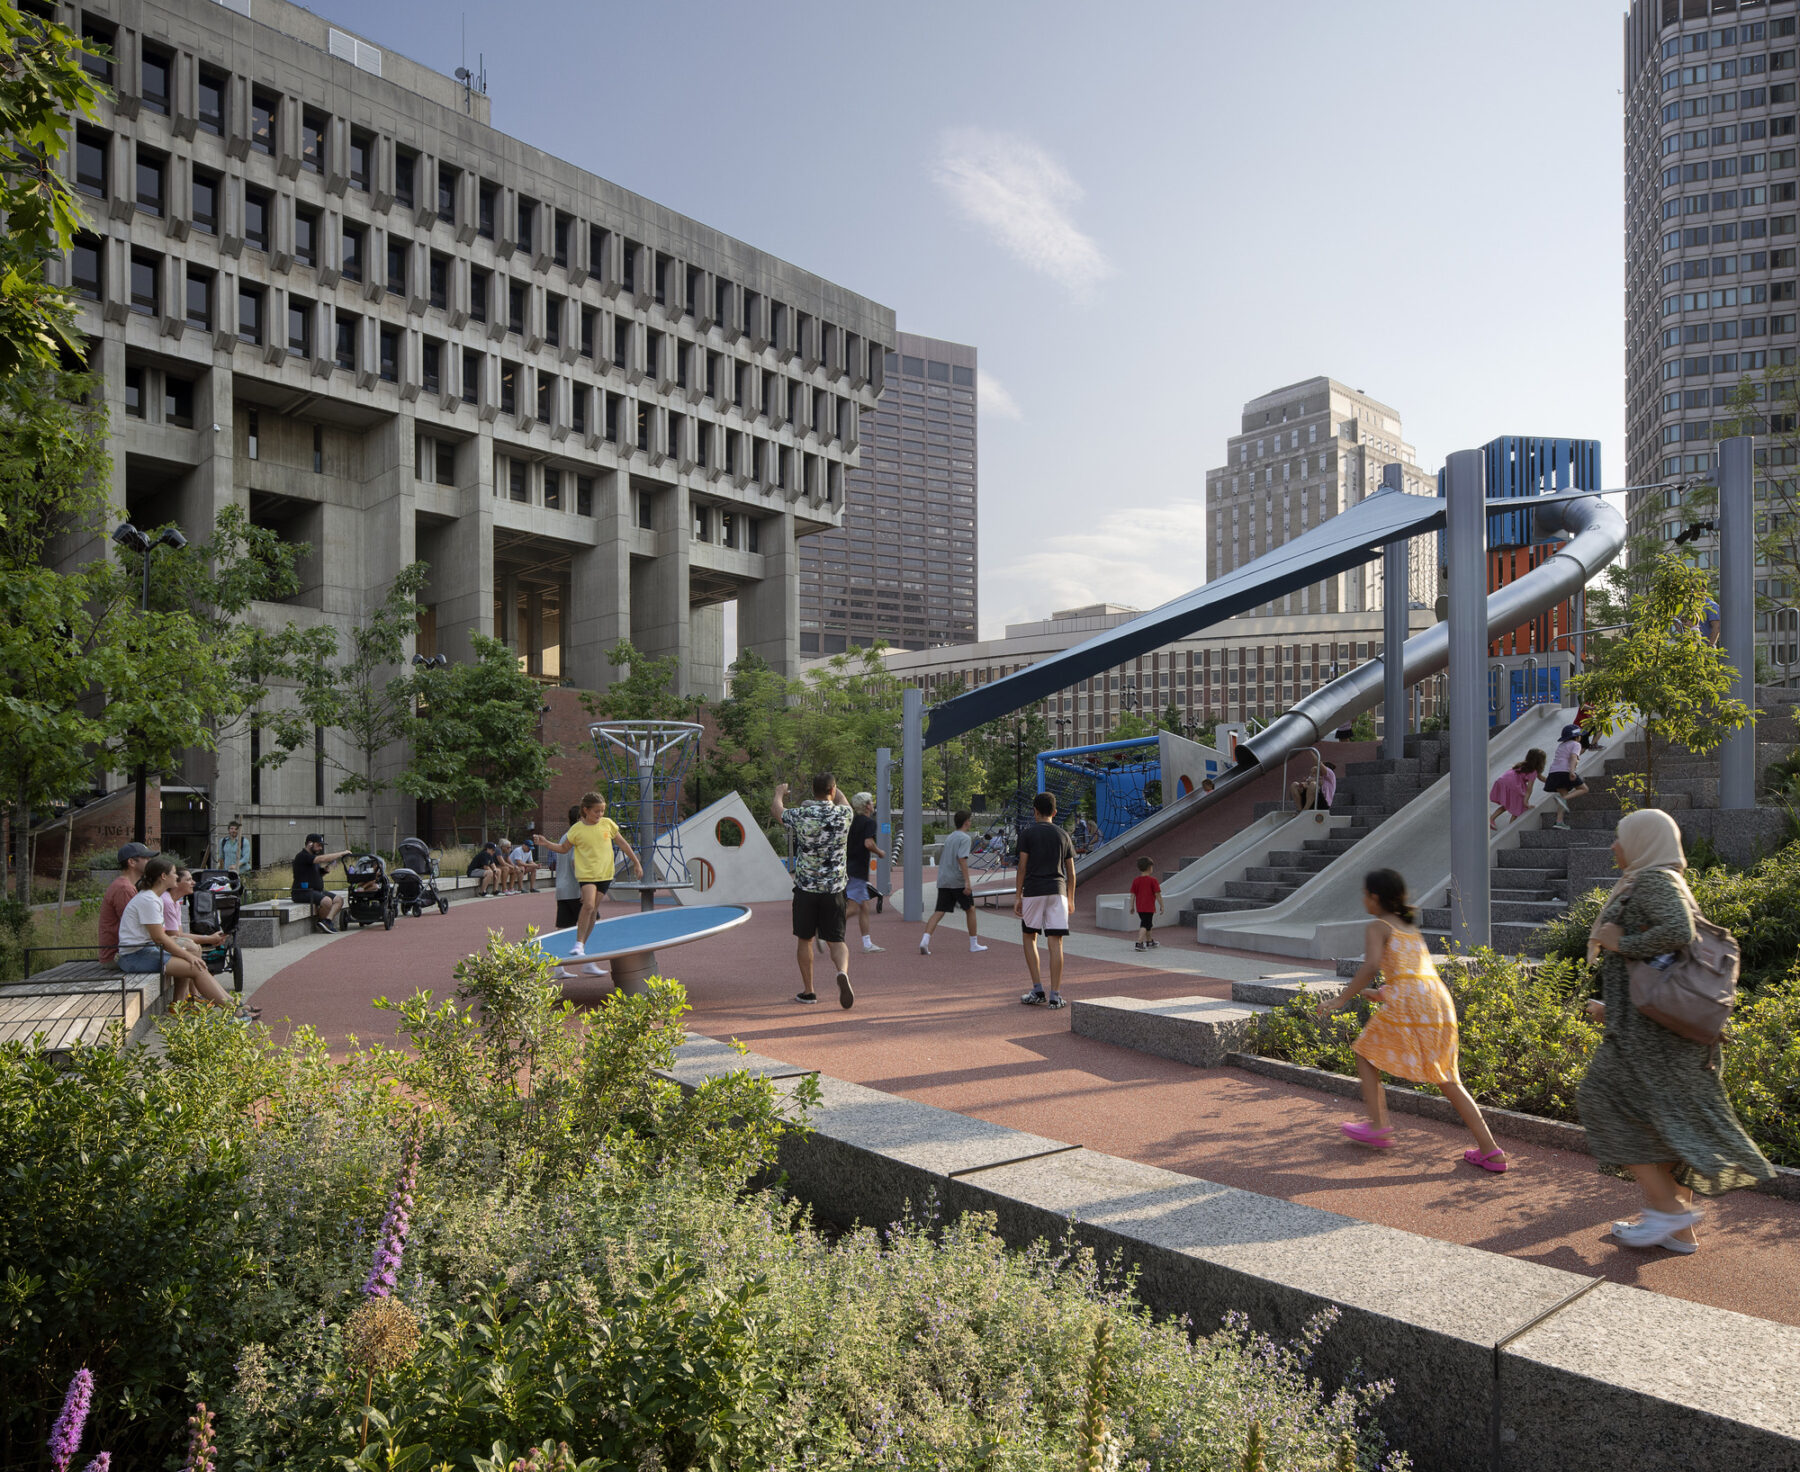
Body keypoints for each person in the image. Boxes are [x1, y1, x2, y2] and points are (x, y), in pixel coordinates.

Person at [1578, 810, 1773, 1253]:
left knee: (1600, 1098)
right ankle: (1678, 1230)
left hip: (1652, 1044)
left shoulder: (1652, 882)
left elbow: (1676, 933)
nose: (1614, 846)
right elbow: (1664, 967)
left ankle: (1668, 1211)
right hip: (1661, 1034)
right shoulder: (1660, 880)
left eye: (1620, 837)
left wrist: (1619, 943)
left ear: (1644, 841)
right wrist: (1613, 1006)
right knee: (1666, 1125)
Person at [1318, 869, 1506, 1171]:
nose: (1363, 900)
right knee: (1447, 1076)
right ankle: (1491, 1151)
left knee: (1364, 1052)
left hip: (1410, 1001)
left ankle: (1378, 1125)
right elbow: (1411, 973)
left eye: (1365, 894)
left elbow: (1371, 966)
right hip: (1437, 1000)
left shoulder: (1377, 926)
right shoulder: (1409, 927)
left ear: (1374, 897)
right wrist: (1381, 995)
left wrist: (1341, 998)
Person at [118, 858, 255, 1019]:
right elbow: (160, 938)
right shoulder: (149, 900)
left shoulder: (153, 898)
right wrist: (187, 955)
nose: (176, 877)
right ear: (163, 876)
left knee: (195, 965)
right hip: (135, 955)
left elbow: (161, 938)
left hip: (144, 951)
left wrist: (186, 954)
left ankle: (228, 1005)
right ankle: (233, 1010)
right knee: (196, 966)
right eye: (174, 873)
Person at [534, 793, 642, 978]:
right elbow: (565, 850)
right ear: (585, 810)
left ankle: (580, 955)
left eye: (602, 810)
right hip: (583, 879)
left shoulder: (607, 824)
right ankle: (579, 948)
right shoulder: (576, 831)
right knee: (589, 906)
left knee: (591, 913)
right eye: (596, 811)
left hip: (604, 875)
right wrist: (545, 844)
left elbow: (623, 843)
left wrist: (637, 862)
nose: (600, 814)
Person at [772, 774, 855, 1008]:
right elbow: (844, 800)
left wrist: (779, 793)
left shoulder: (801, 814)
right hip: (835, 889)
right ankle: (842, 972)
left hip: (806, 889)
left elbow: (778, 812)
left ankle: (809, 992)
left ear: (812, 791)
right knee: (837, 940)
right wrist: (835, 790)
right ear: (833, 789)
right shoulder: (844, 814)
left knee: (805, 939)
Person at [1012, 791, 1076, 1009]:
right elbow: (1072, 872)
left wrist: (1018, 895)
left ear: (1035, 811)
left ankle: (1037, 989)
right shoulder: (1064, 835)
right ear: (1055, 812)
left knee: (1030, 937)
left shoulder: (1027, 834)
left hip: (1033, 890)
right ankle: (1055, 995)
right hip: (1057, 891)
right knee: (1056, 941)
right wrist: (1071, 899)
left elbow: (1022, 867)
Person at [921, 809, 987, 956]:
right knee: (970, 909)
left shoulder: (950, 837)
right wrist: (967, 882)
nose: (970, 822)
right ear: (966, 822)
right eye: (969, 820)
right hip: (957, 880)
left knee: (939, 911)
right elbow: (962, 859)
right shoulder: (964, 838)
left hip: (944, 879)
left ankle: (925, 940)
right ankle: (973, 943)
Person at [98, 842, 155, 963]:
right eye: (145, 858)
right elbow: (136, 926)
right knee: (185, 958)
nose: (150, 861)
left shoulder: (126, 885)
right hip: (119, 956)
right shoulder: (124, 888)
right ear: (131, 862)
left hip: (128, 952)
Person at [845, 792, 884, 953]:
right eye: (871, 802)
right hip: (858, 870)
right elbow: (868, 843)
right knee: (853, 908)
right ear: (867, 805)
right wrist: (880, 852)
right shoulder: (869, 823)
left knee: (864, 907)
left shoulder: (852, 822)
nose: (873, 804)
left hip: (848, 867)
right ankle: (823, 930)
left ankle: (867, 943)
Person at [292, 834, 349, 933]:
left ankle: (327, 921)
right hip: (302, 892)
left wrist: (324, 871)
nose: (320, 848)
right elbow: (321, 859)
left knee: (338, 900)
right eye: (318, 845)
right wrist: (341, 853)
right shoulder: (303, 856)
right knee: (327, 901)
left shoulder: (313, 857)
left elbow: (315, 875)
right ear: (310, 844)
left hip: (316, 890)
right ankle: (321, 922)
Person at [1544, 727, 1590, 830]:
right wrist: (1572, 771)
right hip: (1565, 771)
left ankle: (1559, 821)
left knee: (1564, 795)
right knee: (1584, 789)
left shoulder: (1561, 745)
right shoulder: (1576, 744)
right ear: (1577, 737)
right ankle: (1562, 799)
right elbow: (1573, 758)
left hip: (1554, 772)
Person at [1489, 748, 1547, 830]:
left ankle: (1491, 819)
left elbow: (1541, 778)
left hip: (1503, 780)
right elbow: (1529, 789)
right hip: (1513, 784)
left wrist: (1552, 783)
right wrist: (1526, 802)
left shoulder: (1523, 765)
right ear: (1540, 762)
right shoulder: (1533, 772)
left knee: (1507, 804)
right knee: (1520, 807)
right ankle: (1511, 827)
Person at [1131, 856, 1164, 952]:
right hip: (1149, 907)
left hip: (1140, 907)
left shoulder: (1136, 880)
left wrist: (1131, 906)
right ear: (1150, 867)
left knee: (1148, 924)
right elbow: (1157, 894)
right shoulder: (1153, 881)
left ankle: (1149, 941)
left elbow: (1133, 895)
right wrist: (1162, 905)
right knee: (1145, 924)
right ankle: (1139, 942)